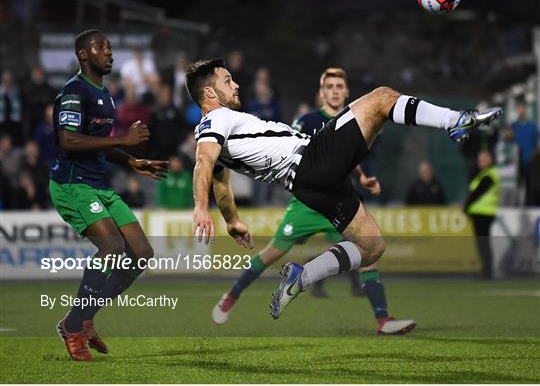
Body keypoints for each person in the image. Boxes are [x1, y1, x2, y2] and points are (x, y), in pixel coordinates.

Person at [186, 58, 502, 320]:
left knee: (373, 247)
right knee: (381, 99)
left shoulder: (219, 132)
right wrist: (200, 208)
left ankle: (302, 277)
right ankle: (453, 120)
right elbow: (203, 163)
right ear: (210, 92)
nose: (236, 84)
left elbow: (220, 185)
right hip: (311, 161)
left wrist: (231, 221)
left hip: (310, 185)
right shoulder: (217, 120)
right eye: (228, 81)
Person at [212, 68, 416, 334]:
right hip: (306, 203)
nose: (334, 91)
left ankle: (382, 320)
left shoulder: (353, 119)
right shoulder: (306, 120)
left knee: (370, 252)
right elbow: (289, 154)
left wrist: (363, 177)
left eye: (339, 86)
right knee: (273, 252)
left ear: (346, 92)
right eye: (329, 86)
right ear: (322, 93)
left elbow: (345, 159)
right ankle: (232, 295)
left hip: (337, 196)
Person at [50, 29, 168, 361]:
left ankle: (83, 319)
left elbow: (99, 145)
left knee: (141, 253)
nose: (109, 51)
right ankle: (73, 326)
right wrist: (123, 142)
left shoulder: (105, 95)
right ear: (83, 55)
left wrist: (133, 161)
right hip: (71, 185)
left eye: (110, 46)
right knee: (113, 247)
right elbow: (68, 142)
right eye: (101, 47)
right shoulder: (74, 92)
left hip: (97, 184)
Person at [464, 151, 500, 279]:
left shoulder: (490, 174)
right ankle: (486, 270)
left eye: (482, 159)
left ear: (490, 159)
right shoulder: (484, 173)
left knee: (483, 243)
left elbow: (477, 192)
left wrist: (466, 206)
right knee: (482, 243)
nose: (480, 162)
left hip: (484, 213)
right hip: (480, 213)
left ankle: (487, 272)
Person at [511, 103, 539, 205]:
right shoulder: (513, 126)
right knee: (515, 185)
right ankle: (516, 204)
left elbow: (536, 142)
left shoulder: (532, 127)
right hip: (516, 162)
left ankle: (529, 205)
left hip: (529, 161)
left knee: (530, 185)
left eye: (522, 110)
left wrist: (534, 154)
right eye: (519, 110)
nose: (521, 112)